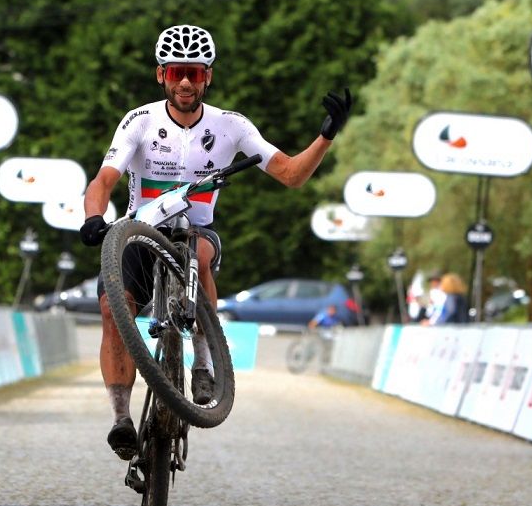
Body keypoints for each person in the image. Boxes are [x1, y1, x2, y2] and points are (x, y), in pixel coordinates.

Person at [80, 24, 353, 459]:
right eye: (175, 73)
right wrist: (95, 217)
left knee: (200, 252)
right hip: (141, 230)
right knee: (112, 309)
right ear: (161, 76)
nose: (185, 82)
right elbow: (104, 179)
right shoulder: (140, 121)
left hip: (195, 232)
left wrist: (326, 136)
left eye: (194, 72)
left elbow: (291, 175)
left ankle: (203, 363)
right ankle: (120, 417)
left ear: (208, 76)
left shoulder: (231, 126)